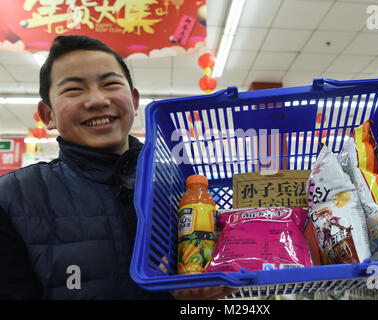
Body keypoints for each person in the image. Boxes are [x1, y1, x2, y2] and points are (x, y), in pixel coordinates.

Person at [0, 35, 234, 300]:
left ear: (134, 102)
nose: (97, 100)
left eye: (110, 84)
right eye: (74, 90)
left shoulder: (177, 182)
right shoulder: (14, 197)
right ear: (48, 115)